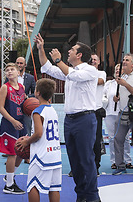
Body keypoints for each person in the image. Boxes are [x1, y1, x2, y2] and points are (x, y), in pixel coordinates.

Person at [34, 33, 100, 202]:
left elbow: (73, 75)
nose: (68, 52)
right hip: (70, 120)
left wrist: (58, 61)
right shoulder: (68, 71)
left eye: (71, 50)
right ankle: (81, 194)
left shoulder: (90, 70)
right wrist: (41, 49)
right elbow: (47, 67)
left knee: (86, 159)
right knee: (74, 161)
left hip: (85, 119)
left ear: (79, 55)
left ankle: (93, 196)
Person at [16, 78, 61, 202]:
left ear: (37, 93)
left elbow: (38, 134)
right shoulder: (53, 110)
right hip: (55, 154)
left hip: (41, 155)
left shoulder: (37, 112)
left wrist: (26, 141)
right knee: (54, 188)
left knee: (32, 185)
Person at [0, 63, 27, 194]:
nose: (9, 72)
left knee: (23, 151)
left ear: (18, 72)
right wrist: (13, 120)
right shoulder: (5, 88)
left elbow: (25, 105)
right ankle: (9, 185)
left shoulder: (22, 87)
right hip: (9, 124)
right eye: (7, 70)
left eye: (12, 69)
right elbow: (0, 108)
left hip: (21, 123)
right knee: (12, 153)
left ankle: (9, 175)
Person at [103, 64, 132, 170]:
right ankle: (114, 161)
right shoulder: (109, 84)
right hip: (110, 112)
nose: (117, 71)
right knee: (112, 138)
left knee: (125, 138)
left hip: (123, 112)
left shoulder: (126, 83)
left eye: (120, 70)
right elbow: (104, 95)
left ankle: (127, 160)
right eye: (116, 69)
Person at [90, 54, 106, 175]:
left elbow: (100, 82)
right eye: (91, 59)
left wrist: (86, 76)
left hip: (96, 111)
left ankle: (96, 166)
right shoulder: (84, 72)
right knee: (82, 141)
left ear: (99, 62)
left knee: (96, 141)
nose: (93, 61)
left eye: (95, 59)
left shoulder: (101, 73)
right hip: (84, 110)